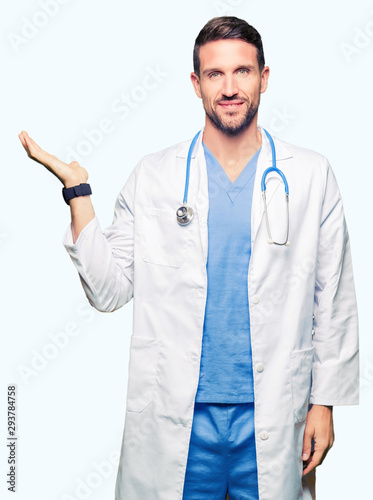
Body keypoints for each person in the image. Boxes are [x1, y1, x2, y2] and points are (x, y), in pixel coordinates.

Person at [18, 15, 359, 500]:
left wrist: (324, 403)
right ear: (196, 85)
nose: (230, 87)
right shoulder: (154, 175)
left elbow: (334, 296)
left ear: (264, 78)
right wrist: (78, 192)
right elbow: (108, 290)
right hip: (178, 416)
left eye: (242, 71)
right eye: (215, 74)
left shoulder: (310, 174)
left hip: (274, 414)